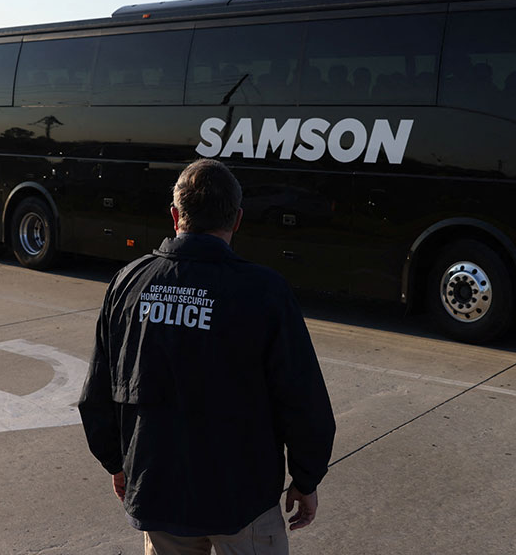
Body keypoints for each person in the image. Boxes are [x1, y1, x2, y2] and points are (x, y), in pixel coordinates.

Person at [78, 158, 336, 555]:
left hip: (159, 494)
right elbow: (303, 401)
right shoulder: (264, 292)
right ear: (237, 220)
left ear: (174, 216)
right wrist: (306, 479)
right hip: (242, 501)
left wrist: (119, 462)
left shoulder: (128, 283)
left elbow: (96, 394)